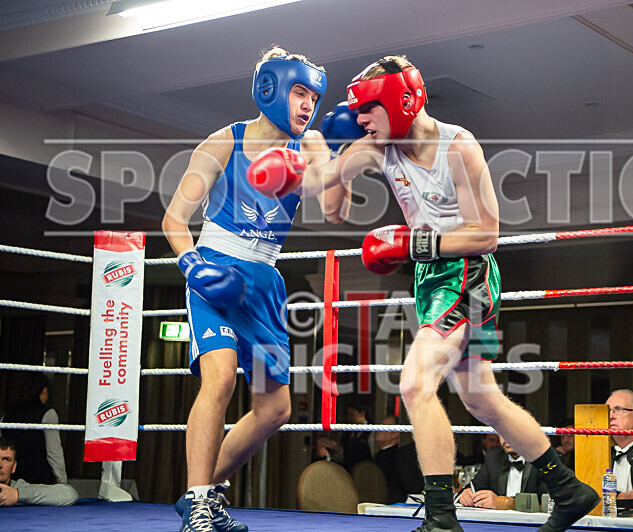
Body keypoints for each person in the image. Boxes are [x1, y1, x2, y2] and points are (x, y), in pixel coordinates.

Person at [247, 54, 599, 532]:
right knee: (481, 397)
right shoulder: (376, 146)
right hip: (431, 278)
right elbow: (325, 196)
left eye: (370, 107)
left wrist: (414, 242)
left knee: (414, 383)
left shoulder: (459, 147)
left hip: (470, 276)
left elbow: (487, 235)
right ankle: (569, 490)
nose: (362, 117)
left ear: (401, 101)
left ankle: (440, 519)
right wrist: (316, 149)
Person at [162, 45, 348, 532]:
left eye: (315, 97)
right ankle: (201, 504)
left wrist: (341, 156)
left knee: (276, 408)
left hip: (265, 282)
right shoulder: (223, 142)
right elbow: (174, 220)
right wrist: (191, 266)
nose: (309, 106)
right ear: (270, 89)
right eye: (300, 93)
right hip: (216, 273)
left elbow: (332, 209)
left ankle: (200, 493)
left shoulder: (308, 146)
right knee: (220, 378)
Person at [0, 372, 68, 485]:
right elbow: (54, 452)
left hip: (13, 482)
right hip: (40, 481)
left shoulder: (6, 416)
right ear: (44, 390)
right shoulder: (48, 414)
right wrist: (63, 483)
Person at [458, 436, 547, 509]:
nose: (507, 438)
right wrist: (466, 494)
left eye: (511, 433)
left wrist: (501, 502)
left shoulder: (543, 458)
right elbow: (474, 487)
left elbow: (546, 501)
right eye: (502, 432)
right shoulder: (493, 456)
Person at [0, 438, 77, 506]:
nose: (0, 465)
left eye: (6, 459)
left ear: (14, 467)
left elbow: (69, 494)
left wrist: (18, 495)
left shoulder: (17, 488)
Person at [374, 415, 423, 504]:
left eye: (385, 426)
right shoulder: (380, 455)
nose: (379, 429)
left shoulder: (401, 455)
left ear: (395, 433)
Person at [342, 403, 373, 471]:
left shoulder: (372, 431)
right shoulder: (347, 432)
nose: (349, 418)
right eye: (348, 415)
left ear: (362, 414)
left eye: (352, 415)